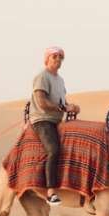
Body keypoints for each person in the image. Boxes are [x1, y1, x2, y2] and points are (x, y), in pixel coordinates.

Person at [28, 46, 80, 206]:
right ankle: (51, 192)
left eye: (60, 57)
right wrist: (64, 108)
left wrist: (71, 106)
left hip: (57, 120)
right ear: (47, 59)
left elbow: (61, 102)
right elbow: (42, 103)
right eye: (54, 56)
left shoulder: (60, 80)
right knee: (53, 149)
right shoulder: (42, 77)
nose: (58, 59)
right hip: (43, 120)